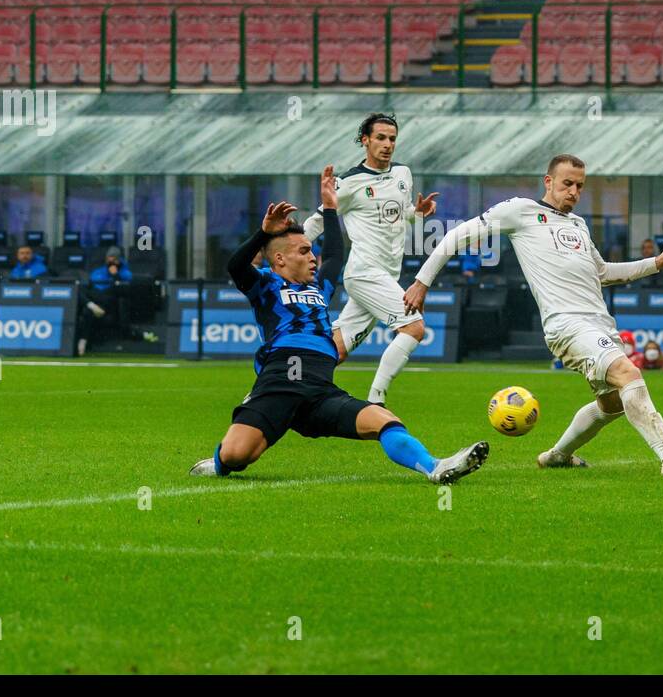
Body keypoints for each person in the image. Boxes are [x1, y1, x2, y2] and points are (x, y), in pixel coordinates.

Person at [404, 153, 663, 475]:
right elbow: (456, 236)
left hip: (599, 324)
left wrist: (656, 263)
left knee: (613, 403)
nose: (573, 192)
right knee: (628, 374)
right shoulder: (520, 211)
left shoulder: (577, 224)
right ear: (548, 182)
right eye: (567, 184)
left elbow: (602, 273)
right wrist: (422, 281)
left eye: (580, 186)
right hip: (567, 325)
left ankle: (558, 455)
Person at [190, 165, 488, 484]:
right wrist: (264, 233)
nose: (313, 257)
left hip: (320, 387)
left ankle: (435, 466)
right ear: (279, 260)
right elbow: (235, 266)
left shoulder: (320, 287)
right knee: (239, 456)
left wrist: (331, 208)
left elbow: (334, 254)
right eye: (304, 252)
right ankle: (219, 462)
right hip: (279, 381)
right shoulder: (265, 285)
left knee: (383, 420)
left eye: (311, 251)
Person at [300, 113, 439, 404]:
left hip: (385, 276)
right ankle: (377, 400)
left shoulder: (403, 174)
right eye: (380, 138)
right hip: (363, 272)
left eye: (392, 139)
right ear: (365, 140)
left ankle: (275, 387)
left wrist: (417, 214)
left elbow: (397, 219)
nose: (387, 144)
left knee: (335, 350)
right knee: (413, 326)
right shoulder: (349, 182)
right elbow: (317, 220)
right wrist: (292, 250)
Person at [77, 246, 154, 355]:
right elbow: (91, 285)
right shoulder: (97, 272)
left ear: (119, 259)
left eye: (114, 259)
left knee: (94, 305)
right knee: (80, 294)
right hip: (95, 302)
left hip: (110, 306)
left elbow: (125, 289)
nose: (111, 261)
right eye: (109, 258)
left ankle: (83, 338)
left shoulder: (125, 273)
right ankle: (90, 307)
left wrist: (115, 275)